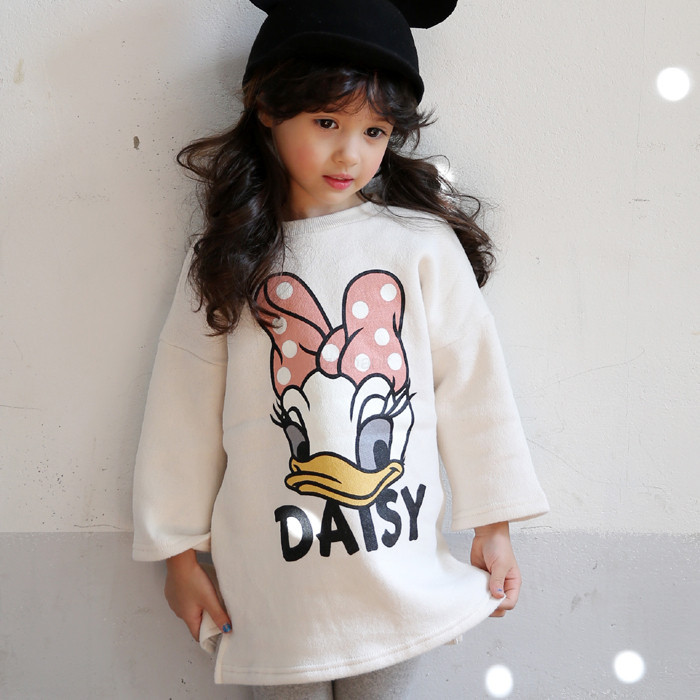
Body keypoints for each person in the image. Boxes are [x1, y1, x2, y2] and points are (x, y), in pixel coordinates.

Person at [132, 0, 549, 696]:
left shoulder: (419, 244)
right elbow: (182, 411)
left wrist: (493, 525)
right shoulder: (231, 258)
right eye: (327, 122)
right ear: (269, 110)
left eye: (374, 131)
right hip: (272, 585)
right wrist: (178, 557)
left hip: (399, 572)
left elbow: (474, 386)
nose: (350, 153)